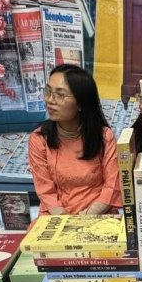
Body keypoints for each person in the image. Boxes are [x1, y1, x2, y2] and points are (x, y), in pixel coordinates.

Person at [28, 64, 121, 215]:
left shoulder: (104, 136)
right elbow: (45, 190)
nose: (50, 100)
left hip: (98, 212)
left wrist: (88, 215)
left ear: (81, 104)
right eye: (48, 91)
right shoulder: (39, 138)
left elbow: (113, 183)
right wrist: (65, 220)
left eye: (60, 95)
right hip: (56, 214)